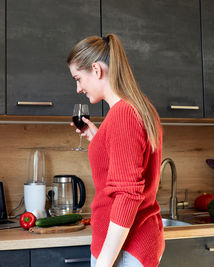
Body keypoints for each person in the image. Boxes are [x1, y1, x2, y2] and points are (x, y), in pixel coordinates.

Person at [67, 33, 164, 267]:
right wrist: (98, 139)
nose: (78, 88)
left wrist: (104, 263)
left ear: (97, 70)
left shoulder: (123, 114)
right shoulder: (138, 107)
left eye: (79, 78)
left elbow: (127, 194)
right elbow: (125, 163)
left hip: (124, 249)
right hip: (127, 245)